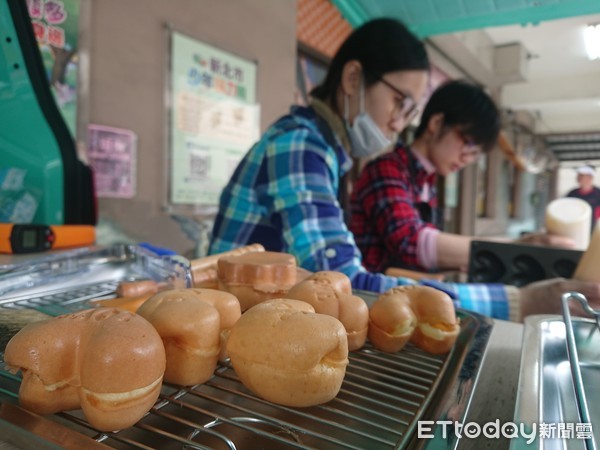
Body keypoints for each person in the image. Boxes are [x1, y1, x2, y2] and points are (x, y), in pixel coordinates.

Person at [208, 19, 599, 322]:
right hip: (233, 325)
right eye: (400, 103)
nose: (399, 122)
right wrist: (518, 300)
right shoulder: (301, 146)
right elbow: (344, 285)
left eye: (410, 110)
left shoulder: (325, 152)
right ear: (353, 79)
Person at [350, 80, 573, 274]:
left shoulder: (427, 181)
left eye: (476, 155)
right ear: (436, 123)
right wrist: (517, 249)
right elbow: (411, 242)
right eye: (468, 143)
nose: (468, 158)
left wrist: (518, 245)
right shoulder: (387, 169)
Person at [567, 164, 600, 232]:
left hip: (594, 231)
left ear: (590, 178)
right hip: (575, 229)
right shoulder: (572, 193)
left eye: (582, 175)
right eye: (579, 175)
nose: (578, 177)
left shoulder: (598, 194)